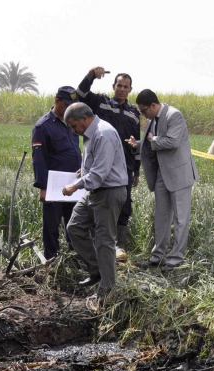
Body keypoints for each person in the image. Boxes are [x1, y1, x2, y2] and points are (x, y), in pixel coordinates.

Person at [125, 90, 199, 269]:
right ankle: (157, 258)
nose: (143, 115)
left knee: (181, 219)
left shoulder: (175, 115)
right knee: (161, 217)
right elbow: (153, 143)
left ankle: (175, 260)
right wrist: (139, 144)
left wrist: (152, 139)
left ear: (153, 105)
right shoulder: (152, 120)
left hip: (179, 176)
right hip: (161, 175)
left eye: (143, 111)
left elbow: (172, 142)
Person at [61, 103, 128, 299]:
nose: (74, 131)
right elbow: (96, 165)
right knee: (74, 227)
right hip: (95, 191)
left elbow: (100, 173)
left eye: (74, 126)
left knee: (104, 241)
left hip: (109, 192)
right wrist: (84, 171)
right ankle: (97, 270)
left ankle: (107, 291)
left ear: (84, 118)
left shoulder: (103, 133)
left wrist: (75, 185)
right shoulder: (89, 135)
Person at [77, 67, 140, 259]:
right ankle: (99, 244)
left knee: (124, 205)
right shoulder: (101, 103)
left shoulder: (134, 113)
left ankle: (118, 247)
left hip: (125, 166)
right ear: (113, 86)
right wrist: (90, 76)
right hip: (100, 164)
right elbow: (81, 94)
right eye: (119, 85)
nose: (122, 89)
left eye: (126, 87)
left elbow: (137, 142)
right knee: (98, 202)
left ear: (130, 89)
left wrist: (136, 171)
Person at [32, 86, 82, 259]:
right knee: (52, 225)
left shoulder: (71, 123)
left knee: (74, 224)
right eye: (67, 104)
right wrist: (43, 187)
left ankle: (75, 258)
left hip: (74, 183)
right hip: (54, 185)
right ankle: (52, 261)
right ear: (57, 101)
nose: (70, 108)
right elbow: (39, 159)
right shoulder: (43, 126)